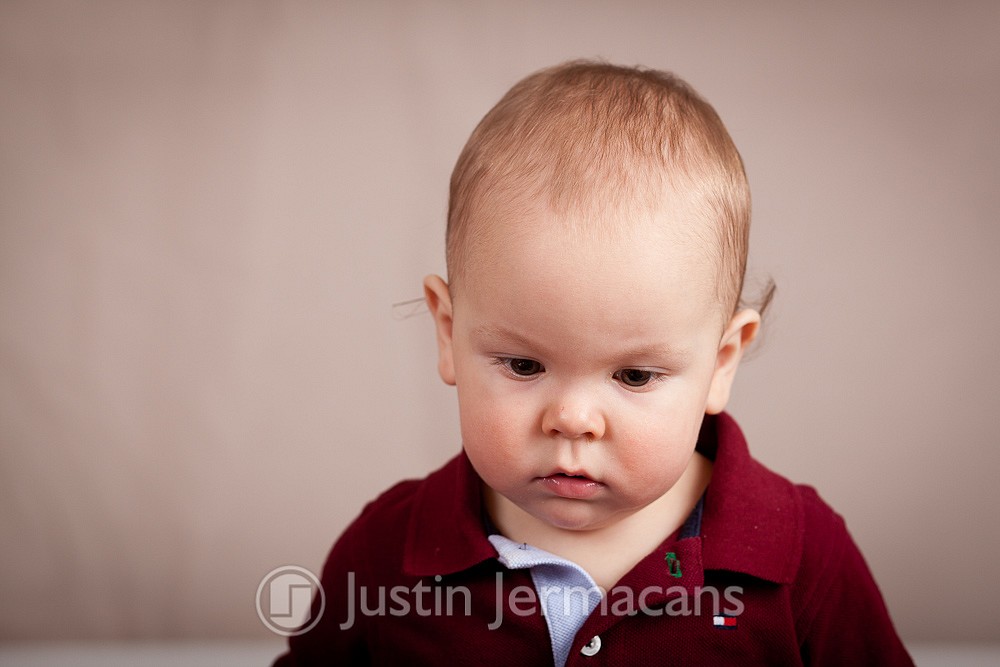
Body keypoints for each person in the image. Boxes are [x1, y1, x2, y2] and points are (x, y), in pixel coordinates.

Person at [273, 60, 913, 666]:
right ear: (449, 333)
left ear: (722, 362)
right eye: (524, 365)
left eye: (634, 375)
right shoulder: (387, 553)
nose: (573, 420)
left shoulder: (799, 555)